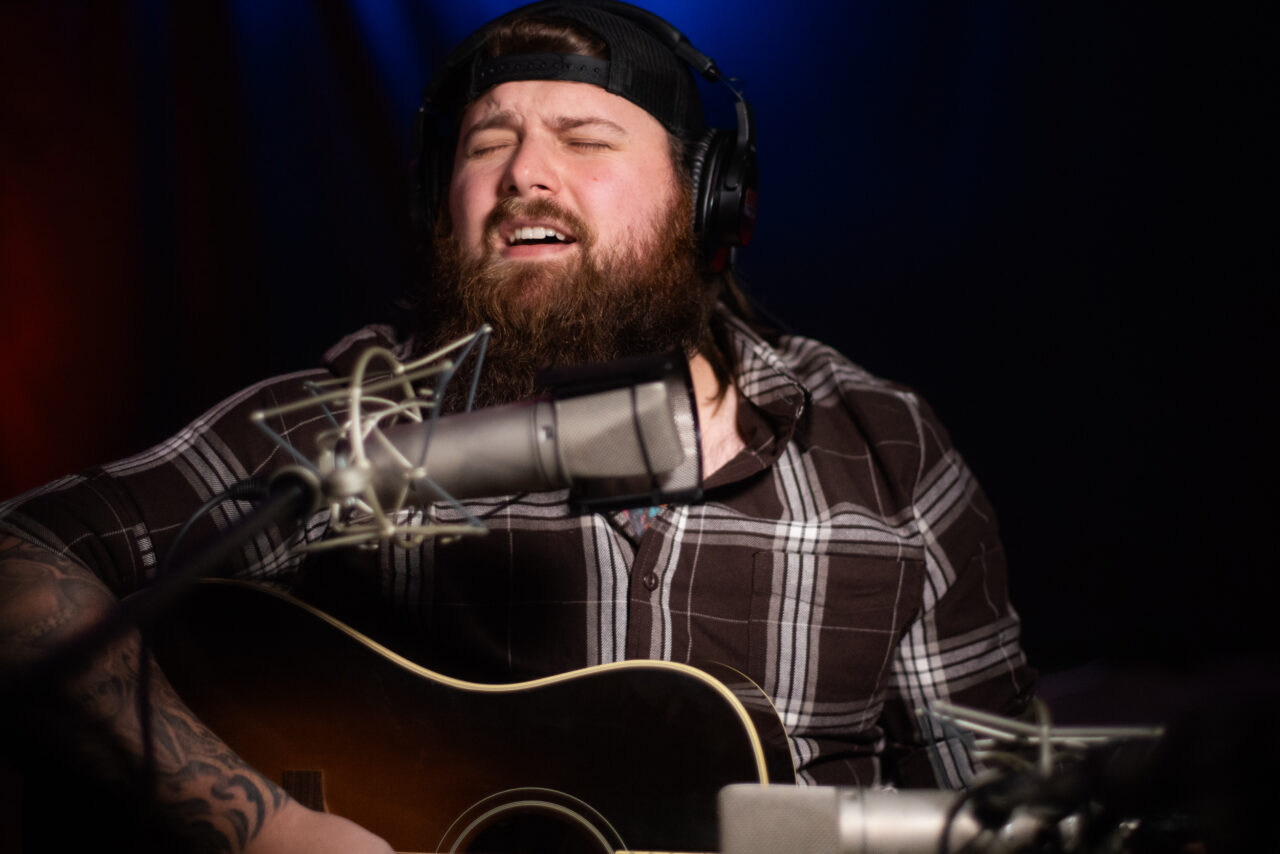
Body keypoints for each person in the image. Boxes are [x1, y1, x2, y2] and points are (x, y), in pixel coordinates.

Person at [0, 2, 1035, 851]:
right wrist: (269, 829)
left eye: (584, 140)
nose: (525, 175)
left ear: (710, 202)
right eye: (487, 143)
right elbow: (16, 559)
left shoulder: (880, 448)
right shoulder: (353, 422)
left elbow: (997, 808)